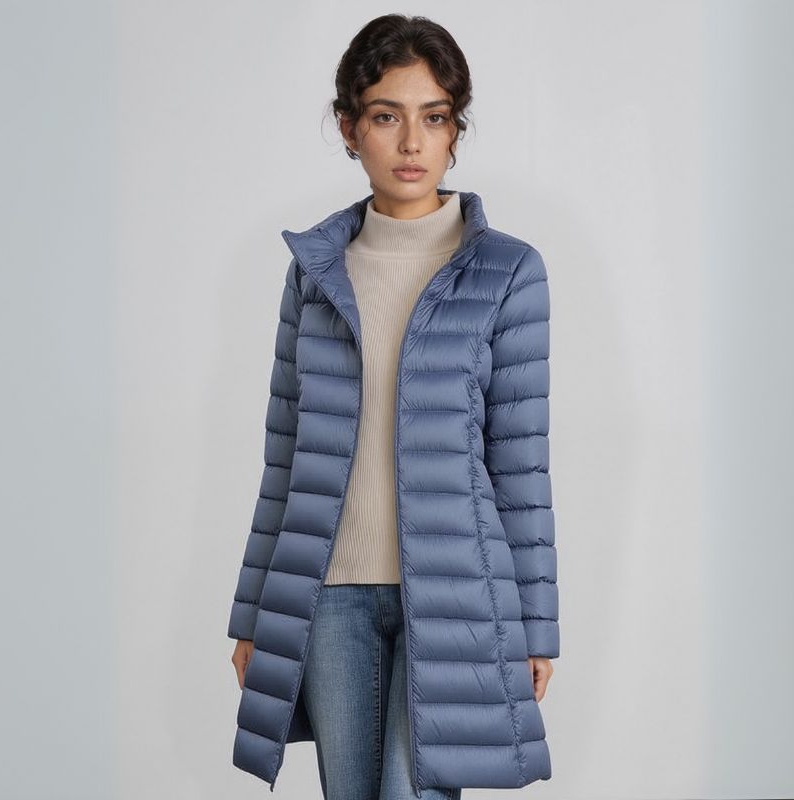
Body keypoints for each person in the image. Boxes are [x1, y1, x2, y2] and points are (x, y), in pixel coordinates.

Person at [228, 13, 559, 800]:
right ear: (350, 128)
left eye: (434, 117)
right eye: (387, 117)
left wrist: (535, 625)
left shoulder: (508, 271)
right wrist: (252, 616)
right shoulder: (314, 273)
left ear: (454, 131)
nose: (412, 142)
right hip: (329, 596)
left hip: (459, 595)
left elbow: (521, 464)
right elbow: (286, 457)